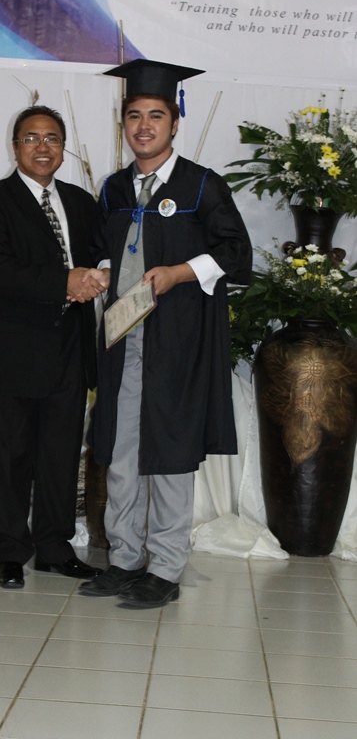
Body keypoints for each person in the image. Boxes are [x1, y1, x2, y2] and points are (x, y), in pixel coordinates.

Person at [80, 60, 252, 607]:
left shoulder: (201, 185)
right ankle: (125, 558)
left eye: (156, 115)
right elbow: (102, 251)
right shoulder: (113, 188)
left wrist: (179, 272)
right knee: (122, 452)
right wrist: (100, 272)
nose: (144, 126)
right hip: (123, 338)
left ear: (175, 123)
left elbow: (236, 254)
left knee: (170, 453)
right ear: (123, 123)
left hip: (178, 342)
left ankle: (166, 568)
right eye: (134, 116)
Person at [0, 105, 105, 589]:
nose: (42, 147)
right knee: (8, 456)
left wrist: (102, 275)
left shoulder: (81, 202)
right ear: (15, 147)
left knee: (60, 454)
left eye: (52, 139)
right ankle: (9, 553)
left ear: (64, 148)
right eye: (31, 138)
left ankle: (53, 548)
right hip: (13, 350)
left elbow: (100, 256)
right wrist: (65, 281)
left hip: (70, 346)